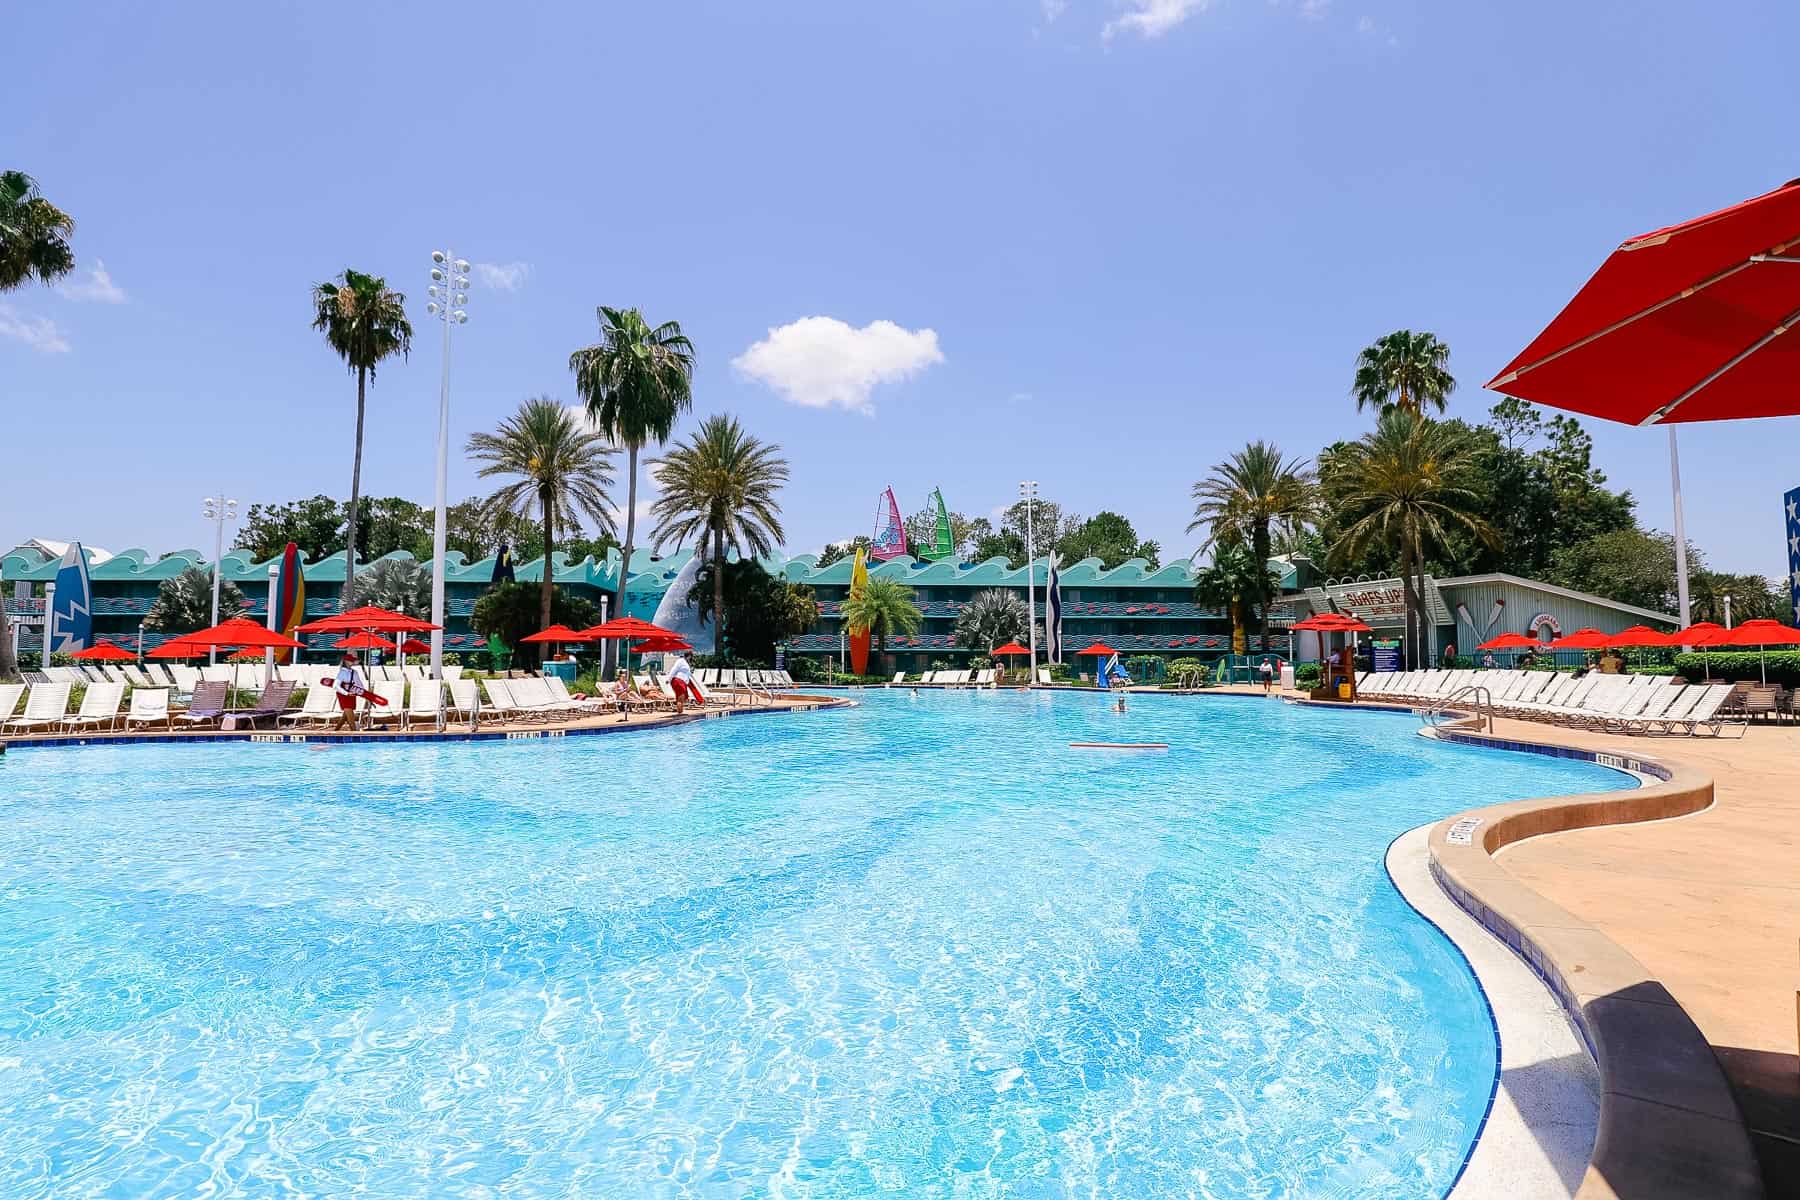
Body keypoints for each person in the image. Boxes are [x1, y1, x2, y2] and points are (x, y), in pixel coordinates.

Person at [332, 651, 367, 732]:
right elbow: (335, 686)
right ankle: (354, 732)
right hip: (343, 694)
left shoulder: (354, 672)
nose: (353, 661)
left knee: (346, 714)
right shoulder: (342, 672)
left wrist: (364, 693)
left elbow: (359, 683)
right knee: (349, 711)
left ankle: (336, 730)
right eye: (351, 660)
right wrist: (346, 693)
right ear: (346, 662)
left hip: (352, 693)